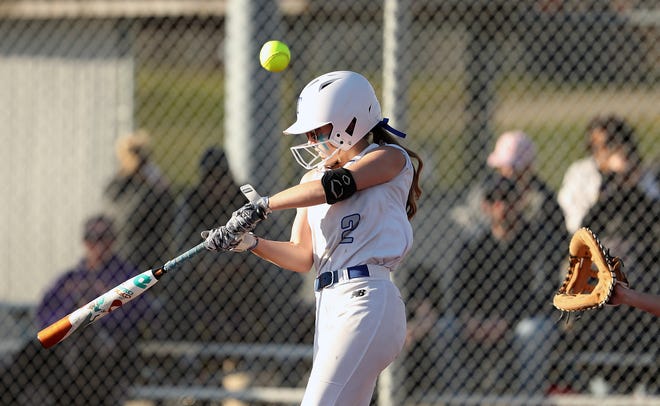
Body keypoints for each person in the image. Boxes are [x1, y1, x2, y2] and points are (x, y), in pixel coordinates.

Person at [202, 71, 423, 406]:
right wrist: (250, 243)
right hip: (330, 306)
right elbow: (301, 256)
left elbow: (338, 186)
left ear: (349, 123)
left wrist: (264, 205)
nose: (311, 139)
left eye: (318, 131)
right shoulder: (312, 179)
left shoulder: (389, 159)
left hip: (366, 300)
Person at [416, 174, 564, 396]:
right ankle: (459, 398)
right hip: (478, 324)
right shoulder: (475, 245)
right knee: (444, 329)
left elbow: (544, 295)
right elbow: (458, 293)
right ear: (485, 206)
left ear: (520, 202)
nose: (501, 205)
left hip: (519, 322)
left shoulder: (537, 242)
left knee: (532, 331)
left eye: (507, 198)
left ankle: (526, 399)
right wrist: (469, 319)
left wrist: (506, 322)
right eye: (493, 199)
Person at [5, 215, 152, 405]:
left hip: (106, 351)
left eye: (104, 237)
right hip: (64, 348)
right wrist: (71, 312)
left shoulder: (127, 275)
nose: (98, 244)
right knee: (32, 350)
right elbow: (44, 312)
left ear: (113, 240)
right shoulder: (71, 277)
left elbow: (140, 312)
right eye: (92, 238)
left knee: (88, 339)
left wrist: (95, 313)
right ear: (85, 241)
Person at [450, 130, 567, 243]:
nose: (508, 174)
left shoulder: (543, 200)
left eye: (514, 168)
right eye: (503, 167)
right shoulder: (485, 192)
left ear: (529, 168)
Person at [558, 115, 660, 233]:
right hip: (595, 241)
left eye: (614, 143)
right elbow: (574, 223)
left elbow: (654, 211)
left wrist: (630, 183)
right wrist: (609, 180)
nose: (612, 151)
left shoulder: (639, 171)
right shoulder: (581, 172)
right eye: (604, 145)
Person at [103, 129, 175, 271]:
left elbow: (165, 200)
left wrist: (143, 175)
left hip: (150, 248)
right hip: (123, 246)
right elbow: (110, 197)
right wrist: (128, 171)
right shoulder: (121, 180)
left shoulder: (152, 178)